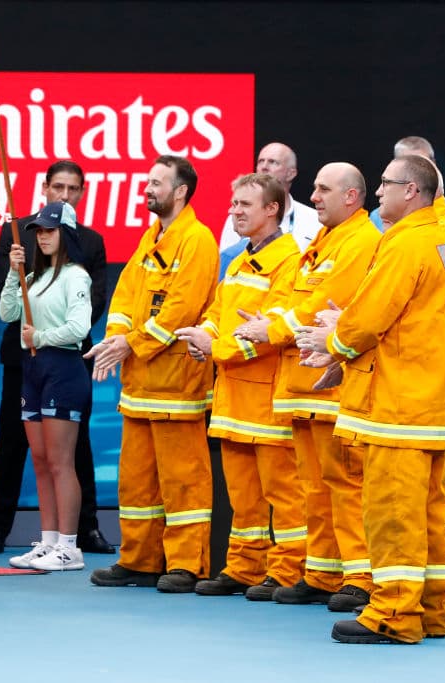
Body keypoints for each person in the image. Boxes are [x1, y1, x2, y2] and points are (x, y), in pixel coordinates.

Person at [296, 154, 445, 644]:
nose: (378, 193)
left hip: (398, 402)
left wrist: (331, 340)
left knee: (392, 512)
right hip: (431, 400)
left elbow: (369, 318)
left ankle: (393, 612)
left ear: (410, 191)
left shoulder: (405, 243)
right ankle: (432, 609)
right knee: (429, 514)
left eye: (386, 184)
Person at [234, 163, 380, 612]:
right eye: (314, 189)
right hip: (300, 384)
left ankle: (360, 576)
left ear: (351, 197)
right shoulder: (324, 239)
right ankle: (322, 573)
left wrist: (271, 328)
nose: (313, 197)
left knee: (344, 483)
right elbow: (299, 301)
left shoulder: (360, 242)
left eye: (322, 190)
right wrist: (272, 323)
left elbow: (321, 306)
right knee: (314, 487)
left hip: (331, 386)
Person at [86, 155, 218, 592]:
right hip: (139, 384)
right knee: (137, 481)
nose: (148, 188)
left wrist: (132, 343)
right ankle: (140, 559)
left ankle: (185, 563)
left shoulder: (197, 240)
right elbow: (125, 296)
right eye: (148, 181)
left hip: (178, 385)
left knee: (183, 482)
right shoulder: (150, 239)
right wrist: (116, 337)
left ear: (180, 191)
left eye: (157, 183)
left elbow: (181, 307)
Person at [176, 172, 305, 601]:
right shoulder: (238, 260)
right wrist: (202, 337)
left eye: (244, 205)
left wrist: (216, 347)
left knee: (283, 494)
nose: (235, 212)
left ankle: (288, 570)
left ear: (272, 209)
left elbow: (270, 332)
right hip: (233, 399)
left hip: (267, 400)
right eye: (233, 204)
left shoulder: (290, 261)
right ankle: (244, 567)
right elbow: (219, 314)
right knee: (243, 497)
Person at [0, 160, 113, 556]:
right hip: (23, 358)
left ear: (82, 193)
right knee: (17, 445)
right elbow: (10, 303)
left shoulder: (88, 243)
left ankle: (80, 532)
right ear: (45, 188)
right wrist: (16, 282)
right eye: (59, 187)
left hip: (66, 358)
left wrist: (52, 337)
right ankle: (0, 529)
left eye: (74, 189)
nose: (66, 195)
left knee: (72, 450)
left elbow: (92, 304)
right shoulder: (18, 233)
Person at [0, 201, 92, 571]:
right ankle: (49, 540)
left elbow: (80, 328)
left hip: (64, 368)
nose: (43, 236)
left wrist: (41, 334)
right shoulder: (32, 278)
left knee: (60, 462)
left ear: (65, 233)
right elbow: (8, 312)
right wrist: (12, 272)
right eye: (39, 230)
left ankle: (69, 547)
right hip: (32, 368)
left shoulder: (76, 276)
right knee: (39, 460)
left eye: (50, 230)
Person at [218, 142, 320, 278]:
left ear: (291, 173)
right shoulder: (237, 217)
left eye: (273, 162)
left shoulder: (314, 219)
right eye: (260, 161)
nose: (264, 167)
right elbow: (226, 262)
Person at [369, 136, 445, 250]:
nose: (417, 172)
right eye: (408, 165)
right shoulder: (378, 215)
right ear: (393, 165)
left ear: (434, 163)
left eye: (422, 164)